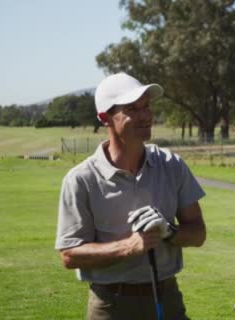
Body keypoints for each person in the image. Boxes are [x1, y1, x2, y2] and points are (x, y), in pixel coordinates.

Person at [55, 72, 206, 320]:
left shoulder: (171, 164)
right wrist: (129, 246)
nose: (145, 115)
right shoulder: (81, 179)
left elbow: (198, 233)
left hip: (167, 299)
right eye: (132, 109)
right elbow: (70, 255)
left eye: (146, 106)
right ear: (105, 118)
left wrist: (169, 232)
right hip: (111, 305)